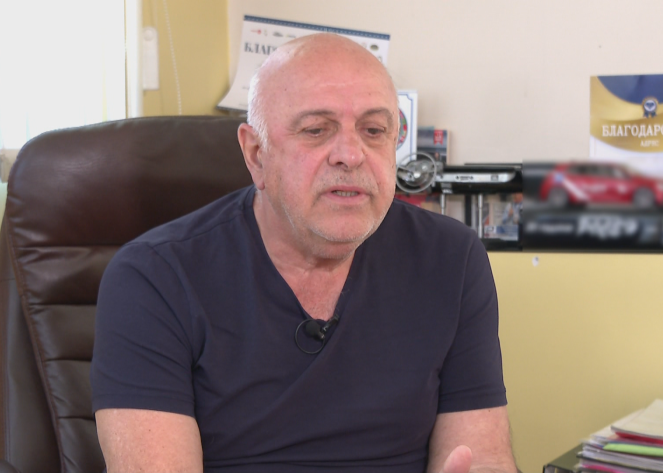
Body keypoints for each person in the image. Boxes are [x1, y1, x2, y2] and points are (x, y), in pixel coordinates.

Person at [91, 33, 517, 473]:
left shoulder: (451, 258)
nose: (351, 155)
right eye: (316, 130)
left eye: (374, 131)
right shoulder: (153, 277)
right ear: (256, 154)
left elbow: (481, 456)